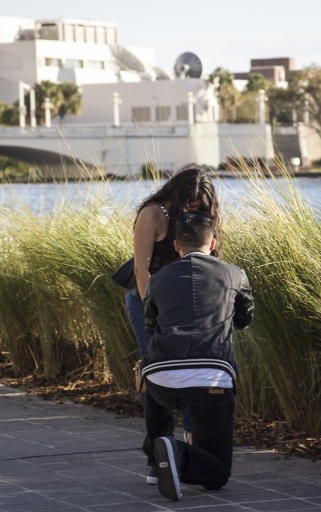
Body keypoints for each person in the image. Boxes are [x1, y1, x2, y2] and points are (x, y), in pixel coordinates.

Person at [139, 211, 254, 502]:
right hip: (210, 381)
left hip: (161, 381)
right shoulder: (235, 274)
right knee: (215, 477)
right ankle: (175, 453)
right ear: (213, 243)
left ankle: (157, 455)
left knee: (151, 370)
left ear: (176, 245)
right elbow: (244, 319)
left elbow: (151, 327)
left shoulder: (158, 279)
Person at [125, 166, 220, 478]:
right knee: (156, 371)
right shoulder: (152, 215)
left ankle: (195, 452)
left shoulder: (198, 215)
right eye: (190, 203)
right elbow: (141, 272)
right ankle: (159, 453)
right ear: (177, 193)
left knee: (195, 368)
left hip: (185, 301)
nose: (194, 209)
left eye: (201, 207)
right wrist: (154, 316)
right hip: (146, 299)